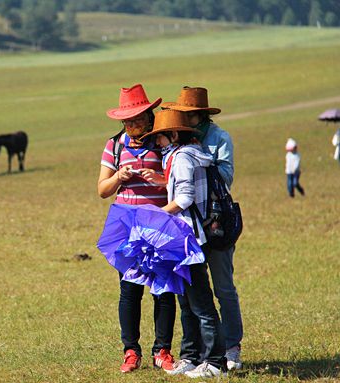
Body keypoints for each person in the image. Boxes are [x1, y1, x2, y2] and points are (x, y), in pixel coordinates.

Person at [160, 86, 243, 370]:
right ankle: (195, 354)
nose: (184, 118)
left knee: (223, 289)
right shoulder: (179, 146)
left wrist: (194, 161)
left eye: (188, 114)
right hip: (190, 226)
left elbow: (225, 177)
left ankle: (231, 349)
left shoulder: (218, 138)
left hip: (214, 221)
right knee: (192, 294)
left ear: (200, 114)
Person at [97, 84, 176, 373]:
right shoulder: (114, 145)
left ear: (150, 115)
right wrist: (119, 176)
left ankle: (163, 351)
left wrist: (160, 178)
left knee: (164, 289)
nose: (133, 125)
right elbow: (102, 190)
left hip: (161, 226)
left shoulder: (166, 143)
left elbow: (181, 181)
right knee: (130, 290)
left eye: (139, 119)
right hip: (127, 228)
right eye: (128, 121)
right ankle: (131, 352)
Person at [147, 108, 227, 378]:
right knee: (187, 301)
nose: (157, 143)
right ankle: (191, 357)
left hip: (188, 238)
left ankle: (215, 361)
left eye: (160, 137)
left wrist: (155, 216)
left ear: (172, 135)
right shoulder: (187, 155)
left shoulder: (182, 158)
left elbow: (184, 199)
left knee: (200, 303)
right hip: (186, 237)